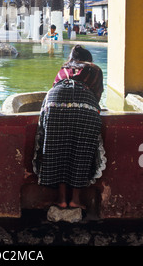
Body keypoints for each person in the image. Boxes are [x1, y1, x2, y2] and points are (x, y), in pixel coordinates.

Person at [32, 45, 106, 210]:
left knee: (57, 151)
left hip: (54, 104)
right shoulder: (94, 70)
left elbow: (54, 87)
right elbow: (97, 95)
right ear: (89, 58)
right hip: (85, 107)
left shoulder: (63, 70)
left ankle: (61, 199)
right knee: (81, 152)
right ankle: (75, 200)